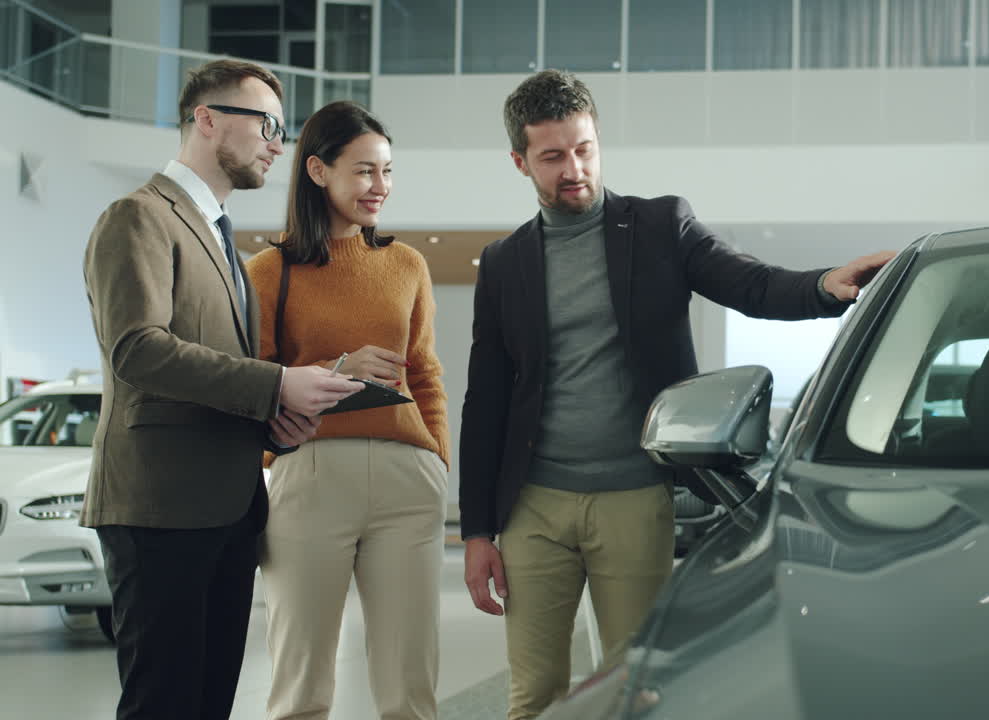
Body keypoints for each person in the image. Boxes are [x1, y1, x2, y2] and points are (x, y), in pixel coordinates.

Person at [459, 68, 897, 720]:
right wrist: (476, 531)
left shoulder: (662, 225)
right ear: (520, 162)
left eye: (584, 149)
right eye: (552, 156)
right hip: (534, 508)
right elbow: (486, 398)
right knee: (535, 693)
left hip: (634, 497)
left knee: (636, 688)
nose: (573, 167)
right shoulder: (504, 263)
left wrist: (823, 285)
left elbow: (749, 283)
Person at [81, 60, 364, 720]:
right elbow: (136, 351)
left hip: (227, 512)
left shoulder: (227, 247)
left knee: (207, 705)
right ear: (207, 120)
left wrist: (275, 421)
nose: (277, 143)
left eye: (282, 129)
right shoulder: (138, 217)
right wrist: (276, 384)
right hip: (158, 510)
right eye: (266, 123)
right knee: (165, 704)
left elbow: (216, 379)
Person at [245, 100, 451, 720]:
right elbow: (252, 381)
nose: (379, 187)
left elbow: (426, 373)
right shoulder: (268, 271)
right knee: (300, 687)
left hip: (407, 479)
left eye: (387, 172)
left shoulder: (407, 264)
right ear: (317, 170)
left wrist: (438, 458)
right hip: (309, 477)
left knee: (409, 691)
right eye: (364, 171)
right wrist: (338, 370)